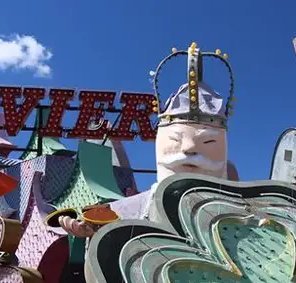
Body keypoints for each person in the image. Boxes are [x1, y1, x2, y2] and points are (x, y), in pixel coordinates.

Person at [59, 43, 232, 238]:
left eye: (208, 142)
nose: (189, 148)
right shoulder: (139, 205)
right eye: (175, 139)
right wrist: (95, 230)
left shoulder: (238, 204)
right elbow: (113, 220)